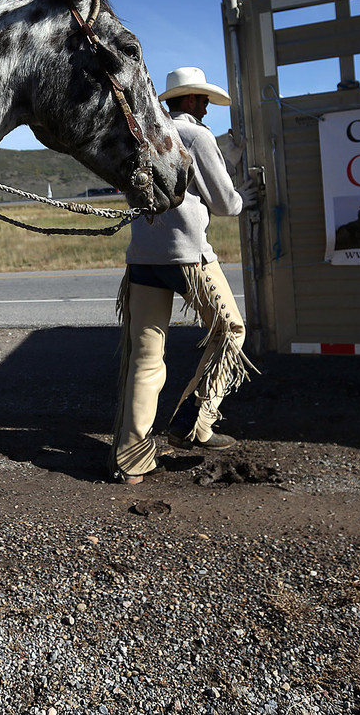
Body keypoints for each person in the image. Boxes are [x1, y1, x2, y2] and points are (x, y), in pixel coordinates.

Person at [110, 67, 259, 484]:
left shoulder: (141, 135)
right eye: (204, 100)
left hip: (142, 258)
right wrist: (243, 198)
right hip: (189, 259)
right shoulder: (196, 136)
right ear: (191, 100)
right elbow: (225, 202)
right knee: (231, 331)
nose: (208, 106)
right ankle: (195, 423)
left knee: (144, 360)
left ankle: (132, 461)